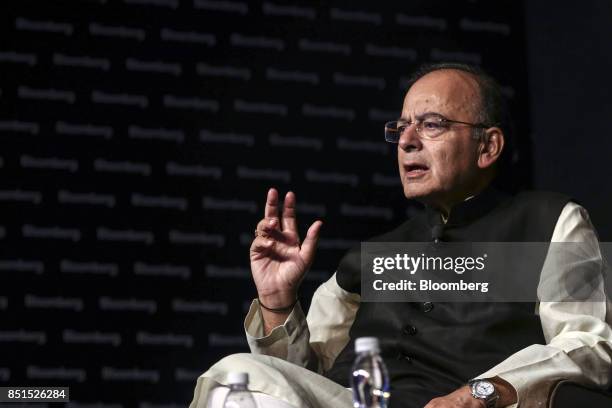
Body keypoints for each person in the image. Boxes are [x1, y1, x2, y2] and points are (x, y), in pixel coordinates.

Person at [190, 63, 612, 408]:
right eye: (401, 128)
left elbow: (588, 344)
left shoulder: (548, 221)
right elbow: (299, 381)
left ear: (488, 147)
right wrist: (278, 303)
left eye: (431, 125)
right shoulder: (373, 256)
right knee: (237, 379)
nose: (407, 142)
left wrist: (484, 392)